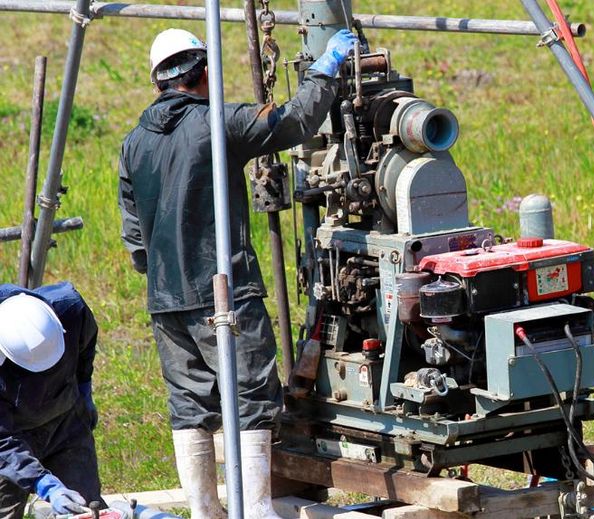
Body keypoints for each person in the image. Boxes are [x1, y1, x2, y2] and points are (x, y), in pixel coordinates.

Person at [117, 27, 358, 519]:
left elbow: (134, 236)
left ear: (157, 82)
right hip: (224, 291)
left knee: (189, 405)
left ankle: (205, 511)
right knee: (250, 395)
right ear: (205, 71)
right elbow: (294, 121)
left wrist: (163, 274)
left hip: (166, 301)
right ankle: (257, 509)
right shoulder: (218, 123)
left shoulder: (133, 144)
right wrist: (325, 70)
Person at [0, 282, 102, 519]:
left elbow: (85, 347)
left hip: (67, 424)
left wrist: (84, 390)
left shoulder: (70, 309)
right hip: (11, 435)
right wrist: (44, 484)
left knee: (87, 508)